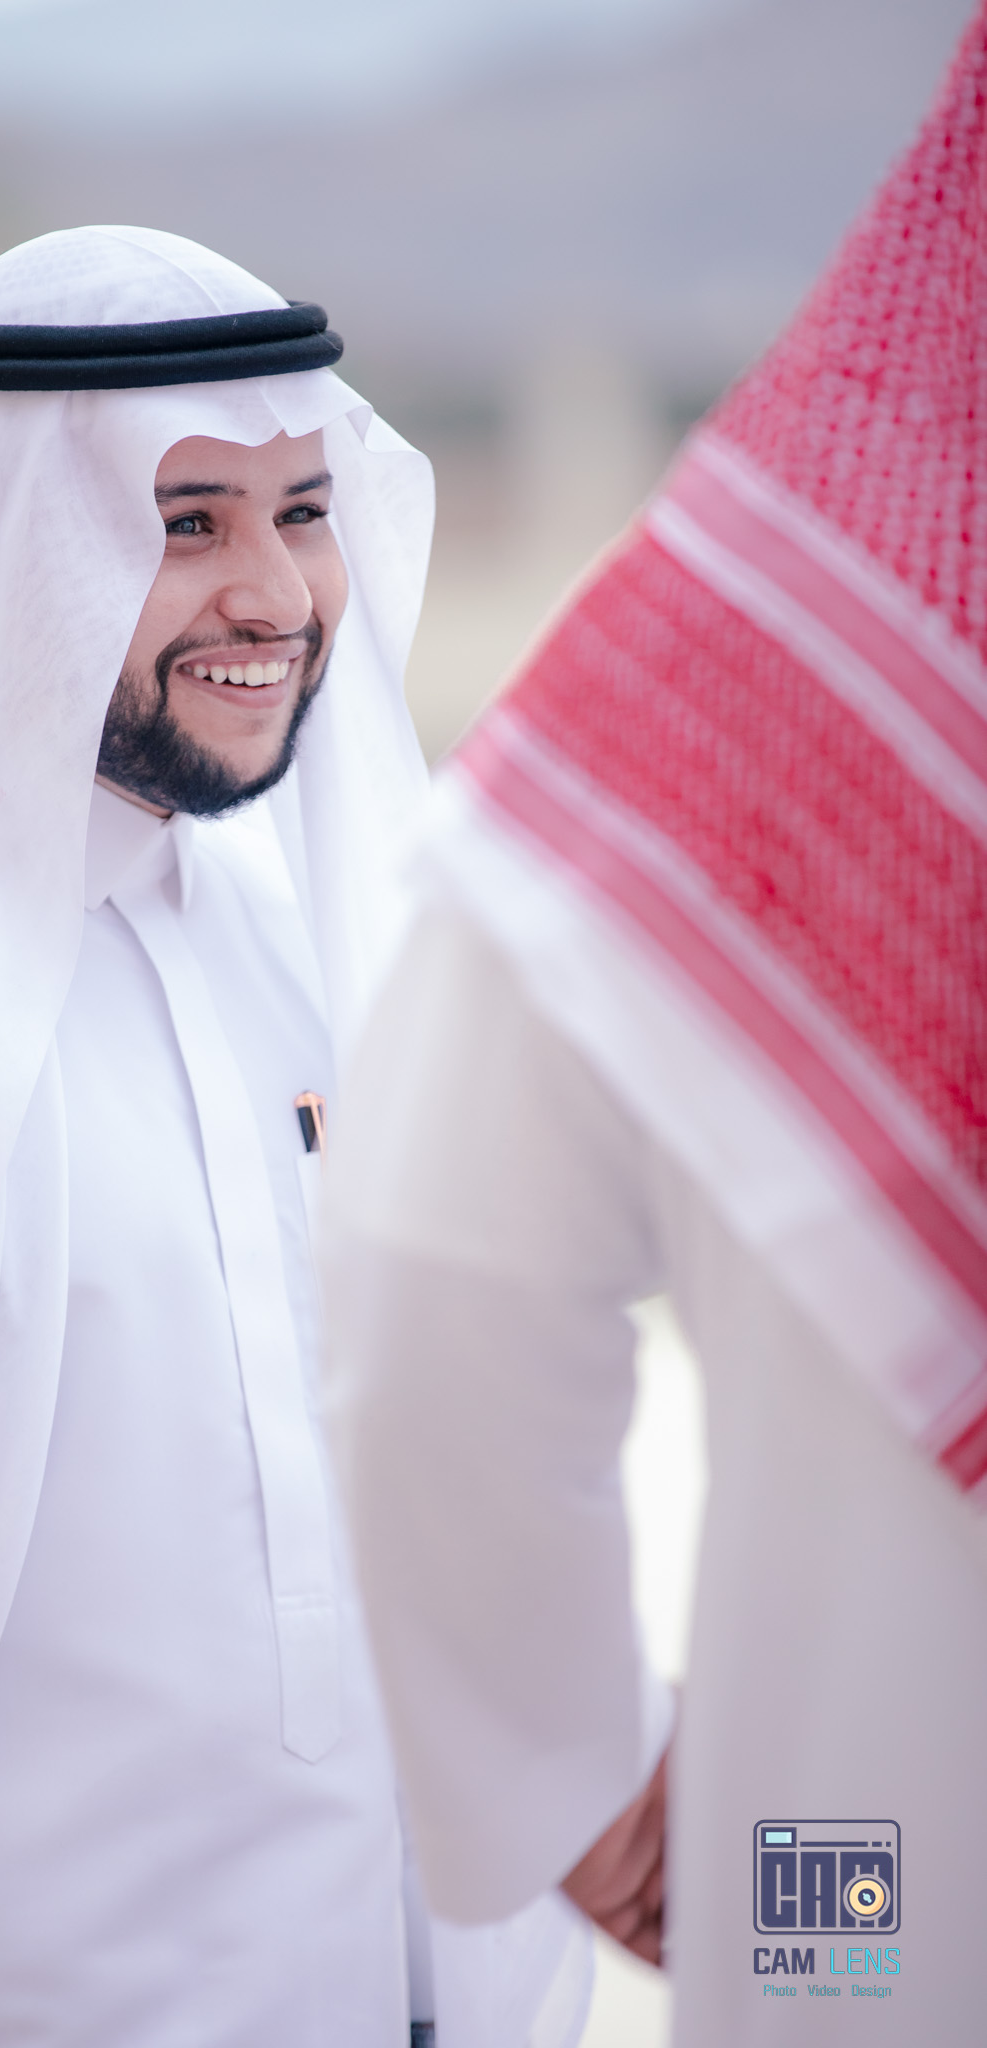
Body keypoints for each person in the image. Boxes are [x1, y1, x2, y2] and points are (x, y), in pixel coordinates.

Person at [0, 226, 615, 2048]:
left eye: (301, 512)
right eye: (185, 523)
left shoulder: (338, 937)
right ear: (15, 547)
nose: (275, 594)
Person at [321, 12, 987, 2045]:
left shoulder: (725, 701)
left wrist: (570, 1770)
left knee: (842, 1930)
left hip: (866, 1900)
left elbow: (425, 1303)